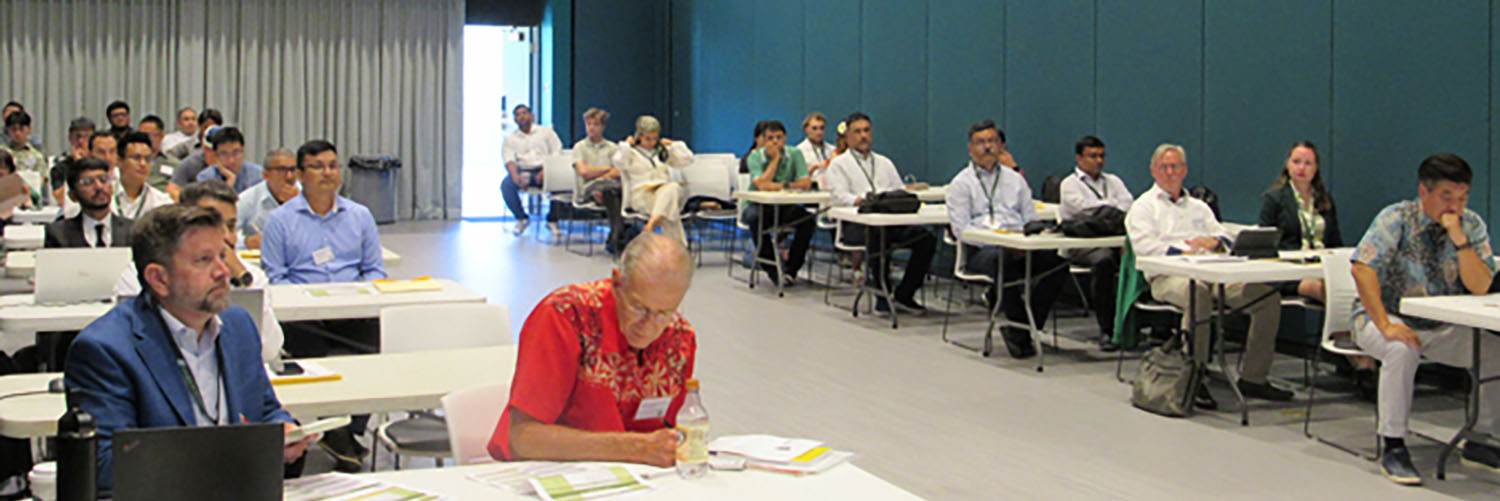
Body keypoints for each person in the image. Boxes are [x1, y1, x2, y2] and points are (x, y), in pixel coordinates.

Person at [63, 204, 311, 492]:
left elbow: (265, 410)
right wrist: (229, 456)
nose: (222, 271)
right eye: (204, 260)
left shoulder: (238, 325)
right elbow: (106, 470)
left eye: (223, 255)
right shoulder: (106, 349)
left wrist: (284, 430)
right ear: (159, 279)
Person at [1350, 153, 1500, 485]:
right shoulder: (1396, 218)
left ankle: (1480, 438)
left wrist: (1460, 240)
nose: (1455, 207)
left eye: (1462, 198)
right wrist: (1386, 324)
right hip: (1381, 317)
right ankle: (1393, 444)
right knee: (1401, 349)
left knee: (1493, 349)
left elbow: (1481, 285)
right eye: (1447, 197)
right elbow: (1362, 268)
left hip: (1439, 326)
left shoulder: (1471, 225)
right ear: (1424, 192)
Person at [489, 233, 697, 466]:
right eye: (638, 308)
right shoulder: (565, 317)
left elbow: (668, 430)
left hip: (631, 478)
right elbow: (523, 439)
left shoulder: (679, 338)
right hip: (543, 471)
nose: (648, 326)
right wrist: (634, 448)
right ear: (617, 282)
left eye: (664, 313)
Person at [1125, 143, 1291, 409]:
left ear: (1185, 170)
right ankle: (1195, 375)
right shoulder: (1143, 208)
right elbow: (1145, 248)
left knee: (1267, 298)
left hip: (1213, 273)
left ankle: (1253, 376)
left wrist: (1214, 242)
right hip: (1168, 277)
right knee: (1197, 293)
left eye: (1176, 167)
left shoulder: (1200, 207)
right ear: (1153, 171)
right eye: (1164, 167)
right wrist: (1184, 249)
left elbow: (1223, 233)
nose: (1170, 172)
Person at [260, 139, 385, 472]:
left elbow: (374, 269)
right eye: (317, 167)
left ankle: (346, 428)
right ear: (300, 175)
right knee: (307, 352)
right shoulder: (280, 221)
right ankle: (337, 431)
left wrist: (356, 295)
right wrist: (305, 301)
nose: (327, 173)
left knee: (377, 351)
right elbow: (276, 277)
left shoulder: (360, 216)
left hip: (351, 309)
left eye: (332, 165)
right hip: (303, 315)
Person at [947, 120, 1065, 358]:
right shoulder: (961, 184)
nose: (987, 147)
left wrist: (1022, 240)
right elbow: (961, 230)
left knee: (1058, 263)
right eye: (981, 143)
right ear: (970, 149)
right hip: (982, 250)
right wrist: (1001, 243)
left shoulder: (1015, 179)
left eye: (992, 141)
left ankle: (1022, 325)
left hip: (1018, 243)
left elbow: (1030, 218)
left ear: (1001, 146)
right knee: (1004, 262)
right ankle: (1021, 334)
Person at [824, 112, 935, 314]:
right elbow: (839, 197)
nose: (863, 136)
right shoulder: (838, 165)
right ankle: (882, 293)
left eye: (866, 130)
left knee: (926, 238)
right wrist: (863, 200)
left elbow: (898, 191)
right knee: (877, 235)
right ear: (847, 136)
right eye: (857, 132)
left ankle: (905, 293)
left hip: (889, 222)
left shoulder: (884, 162)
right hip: (856, 225)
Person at [1058, 135, 1133, 350]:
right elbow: (1085, 211)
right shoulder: (1069, 184)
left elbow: (1128, 204)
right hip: (1081, 243)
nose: (1099, 161)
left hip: (1113, 240)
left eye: (1101, 156)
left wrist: (1103, 210)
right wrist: (1110, 209)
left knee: (1139, 259)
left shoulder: (1114, 181)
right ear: (1079, 159)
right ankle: (1106, 329)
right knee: (1104, 261)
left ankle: (1146, 327)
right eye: (1093, 156)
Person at [1257, 140, 1342, 302]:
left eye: (1308, 163)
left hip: (1323, 267)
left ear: (1316, 168)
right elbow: (1264, 246)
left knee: (1351, 287)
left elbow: (1335, 241)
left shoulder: (1324, 199)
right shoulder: (1274, 199)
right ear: (1287, 165)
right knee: (1327, 291)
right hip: (1290, 272)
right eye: (1296, 162)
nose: (1301, 168)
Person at [744, 120, 815, 286]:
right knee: (756, 220)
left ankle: (791, 270)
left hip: (784, 206)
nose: (775, 142)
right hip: (758, 205)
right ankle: (772, 270)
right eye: (770, 138)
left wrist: (781, 186)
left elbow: (805, 182)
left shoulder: (795, 153)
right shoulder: (755, 156)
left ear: (785, 139)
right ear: (763, 140)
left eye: (779, 137)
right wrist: (775, 159)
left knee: (807, 221)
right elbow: (761, 185)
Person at [612, 115, 694, 246]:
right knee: (670, 209)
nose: (652, 142)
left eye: (655, 138)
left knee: (672, 188)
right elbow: (618, 162)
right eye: (647, 139)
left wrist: (674, 144)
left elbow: (688, 159)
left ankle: (652, 223)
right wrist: (626, 145)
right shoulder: (631, 153)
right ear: (639, 136)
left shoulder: (662, 152)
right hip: (642, 196)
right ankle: (680, 250)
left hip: (662, 193)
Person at [500, 104, 565, 238]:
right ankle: (521, 218)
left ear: (532, 115)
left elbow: (557, 152)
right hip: (523, 170)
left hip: (545, 170)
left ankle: (553, 220)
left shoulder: (546, 133)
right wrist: (515, 176)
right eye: (518, 115)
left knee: (561, 183)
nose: (522, 117)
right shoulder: (510, 139)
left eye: (524, 113)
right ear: (515, 120)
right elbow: (509, 159)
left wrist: (547, 170)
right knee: (506, 186)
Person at [570, 108, 625, 252]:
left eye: (595, 124)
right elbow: (584, 172)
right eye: (588, 124)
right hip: (588, 189)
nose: (591, 128)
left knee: (613, 192)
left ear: (602, 127)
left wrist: (598, 173)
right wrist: (607, 169)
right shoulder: (579, 147)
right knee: (611, 193)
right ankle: (617, 238)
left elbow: (618, 172)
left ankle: (615, 236)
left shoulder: (612, 148)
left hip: (609, 186)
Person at [46, 157, 132, 248]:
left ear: (111, 188)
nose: (99, 187)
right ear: (73, 195)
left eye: (103, 180)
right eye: (88, 182)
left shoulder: (133, 230)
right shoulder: (58, 233)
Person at [237, 148, 300, 249]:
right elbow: (226, 236)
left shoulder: (308, 197)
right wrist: (246, 242)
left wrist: (298, 206)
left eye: (293, 169)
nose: (289, 176)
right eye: (282, 170)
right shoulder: (247, 199)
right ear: (266, 175)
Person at [113, 131, 174, 220]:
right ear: (119, 161)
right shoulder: (106, 196)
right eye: (136, 158)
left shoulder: (162, 202)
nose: (143, 164)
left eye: (148, 159)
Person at [168, 109, 225, 198]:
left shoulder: (228, 154)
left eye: (213, 127)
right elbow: (168, 158)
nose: (209, 131)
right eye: (206, 127)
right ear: (199, 126)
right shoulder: (188, 151)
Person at [194, 127, 263, 193]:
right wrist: (230, 180)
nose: (231, 160)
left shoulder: (259, 174)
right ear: (216, 156)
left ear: (243, 150)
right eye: (224, 154)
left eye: (236, 153)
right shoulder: (205, 177)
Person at [1, 111, 46, 201]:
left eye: (21, 129)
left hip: (30, 197)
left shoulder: (37, 156)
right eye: (14, 129)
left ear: (29, 129)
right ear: (8, 130)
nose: (17, 133)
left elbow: (42, 178)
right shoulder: (2, 152)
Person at [137, 115, 181, 192]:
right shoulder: (132, 162)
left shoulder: (175, 164)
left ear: (161, 136)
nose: (144, 139)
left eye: (149, 135)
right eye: (141, 135)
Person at [796, 112, 837, 184]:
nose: (819, 132)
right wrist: (814, 167)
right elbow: (796, 177)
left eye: (822, 128)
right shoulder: (799, 151)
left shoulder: (832, 149)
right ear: (806, 130)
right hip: (810, 190)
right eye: (814, 128)